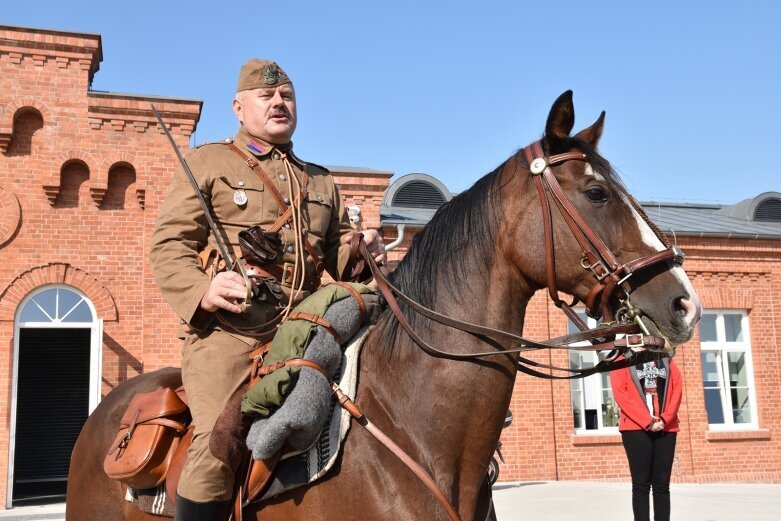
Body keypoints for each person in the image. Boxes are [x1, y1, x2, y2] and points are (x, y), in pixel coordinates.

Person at [150, 59, 385, 520]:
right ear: (239, 107)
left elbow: (339, 260)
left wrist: (362, 250)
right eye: (266, 96)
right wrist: (202, 288)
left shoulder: (319, 181)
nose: (280, 102)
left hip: (308, 329)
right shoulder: (210, 163)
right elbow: (168, 243)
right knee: (218, 442)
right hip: (233, 334)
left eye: (287, 96)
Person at [609, 355, 682, 521]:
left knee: (662, 485)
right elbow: (621, 394)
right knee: (641, 485)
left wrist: (665, 418)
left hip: (666, 426)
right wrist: (648, 422)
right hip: (636, 428)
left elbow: (677, 388)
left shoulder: (664, 358)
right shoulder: (621, 360)